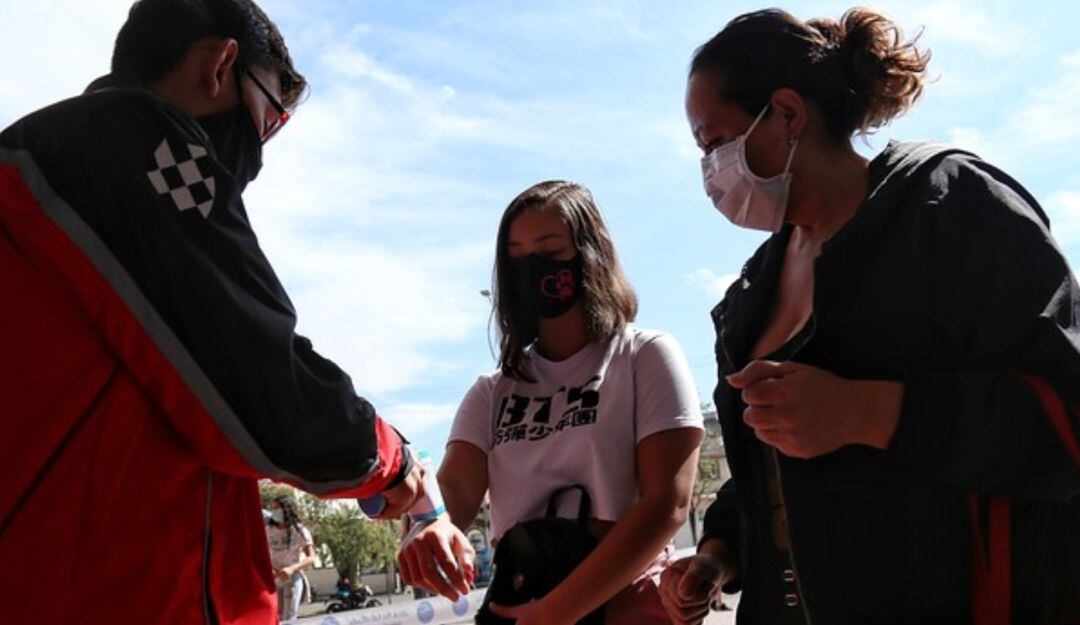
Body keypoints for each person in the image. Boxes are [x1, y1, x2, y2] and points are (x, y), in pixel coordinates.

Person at [0, 1, 469, 623]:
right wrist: (396, 465)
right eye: (269, 118)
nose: (260, 149)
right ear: (221, 66)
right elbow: (266, 388)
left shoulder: (38, 162)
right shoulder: (134, 140)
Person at [661, 7, 1080, 625]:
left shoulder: (950, 205)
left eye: (715, 142)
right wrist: (722, 548)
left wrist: (871, 412)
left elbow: (1064, 423)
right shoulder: (751, 291)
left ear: (787, 113)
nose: (709, 172)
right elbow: (773, 465)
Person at [399, 180, 706, 624]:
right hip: (519, 601)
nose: (531, 267)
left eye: (550, 250)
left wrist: (554, 614)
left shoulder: (645, 355)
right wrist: (427, 526)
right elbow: (455, 495)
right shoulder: (490, 391)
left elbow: (667, 505)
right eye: (517, 257)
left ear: (590, 251)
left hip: (623, 605)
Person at [266, 496, 316, 623]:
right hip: (273, 579)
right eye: (272, 508)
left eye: (277, 508)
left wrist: (291, 568)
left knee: (289, 618)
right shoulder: (268, 530)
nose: (274, 511)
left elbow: (311, 557)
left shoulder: (299, 531)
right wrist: (270, 569)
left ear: (286, 509)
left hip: (292, 578)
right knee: (273, 616)